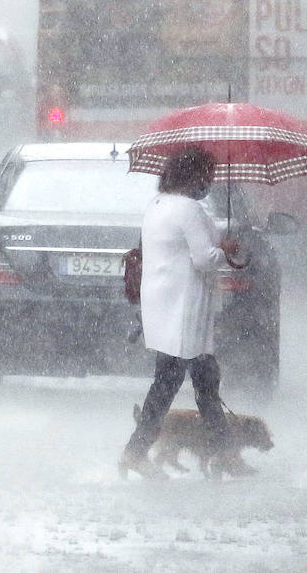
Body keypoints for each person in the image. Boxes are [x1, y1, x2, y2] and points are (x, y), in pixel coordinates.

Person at [119, 144, 254, 479]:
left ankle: (223, 454)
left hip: (164, 306)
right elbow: (203, 259)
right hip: (185, 310)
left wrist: (215, 246)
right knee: (178, 383)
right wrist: (226, 250)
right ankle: (137, 453)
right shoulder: (189, 209)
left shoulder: (157, 205)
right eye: (206, 175)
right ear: (192, 175)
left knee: (201, 380)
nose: (208, 182)